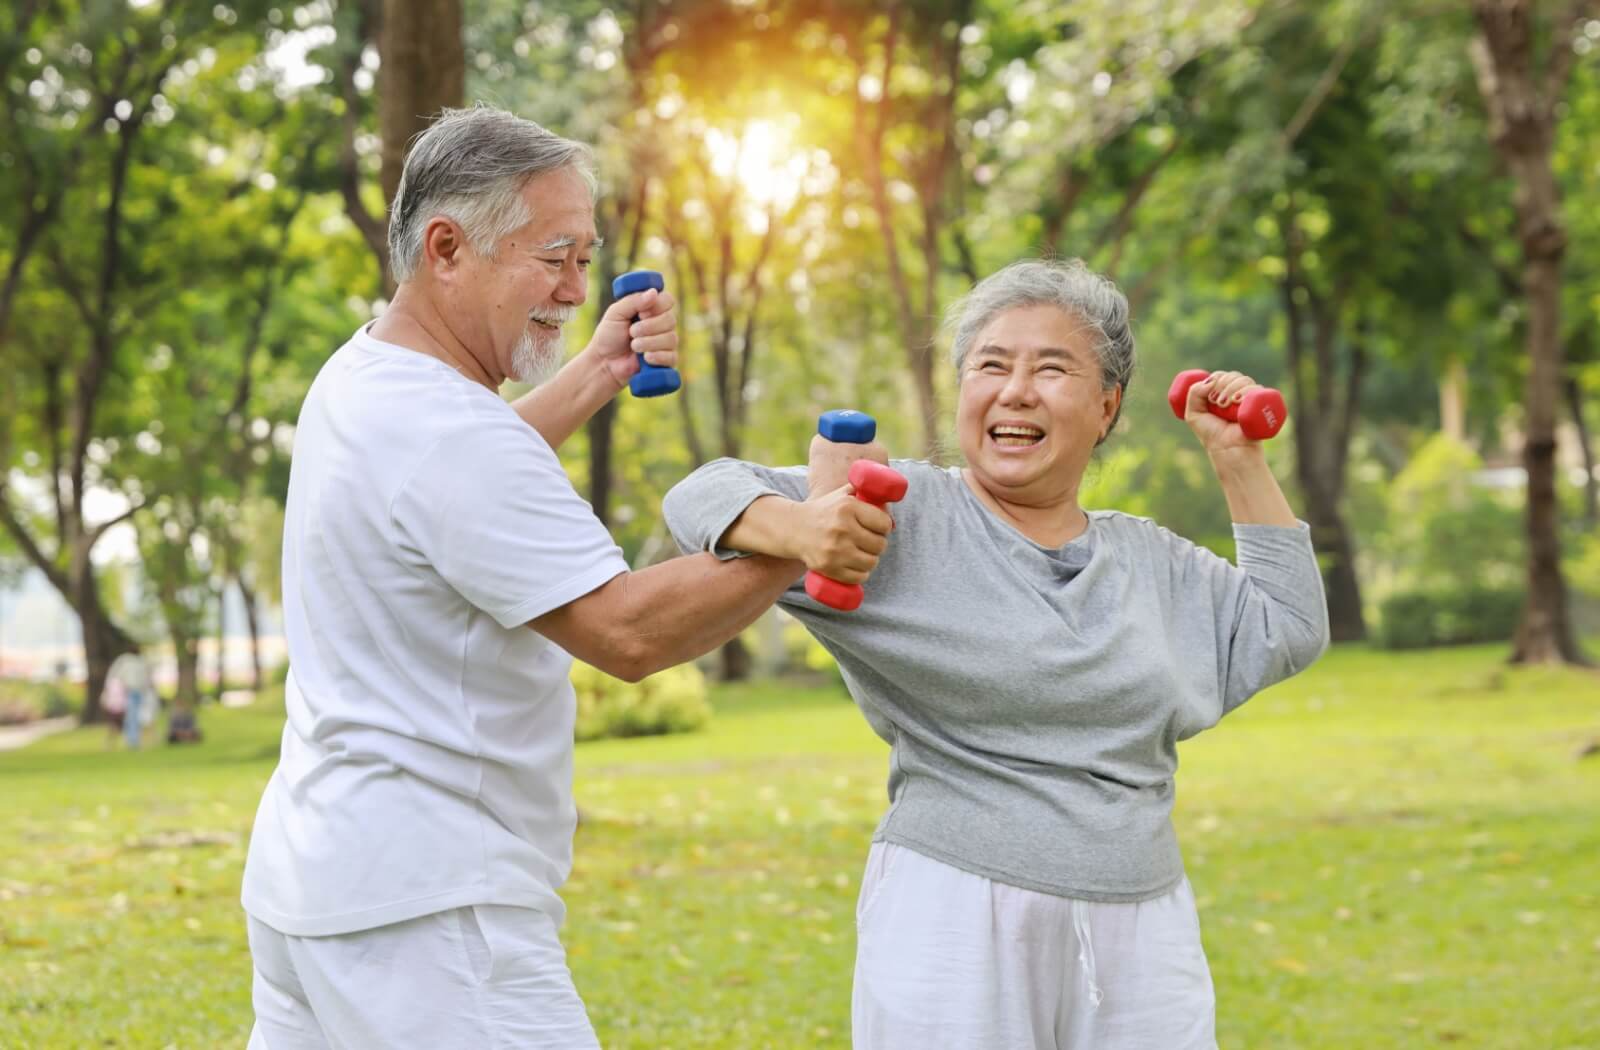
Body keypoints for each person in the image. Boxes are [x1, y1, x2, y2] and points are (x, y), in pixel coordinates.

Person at [239, 105, 889, 1049]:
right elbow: (626, 633)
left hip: (316, 884)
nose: (576, 288)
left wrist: (595, 370)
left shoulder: (365, 376)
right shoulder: (448, 431)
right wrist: (798, 536)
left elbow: (459, 489)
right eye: (555, 257)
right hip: (432, 911)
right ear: (448, 246)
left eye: (587, 259)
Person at [663, 258, 1331, 1049]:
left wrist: (1235, 456)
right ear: (962, 393)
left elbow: (1288, 623)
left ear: (1107, 406)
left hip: (1143, 921)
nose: (1016, 391)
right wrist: (805, 530)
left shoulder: (1149, 561)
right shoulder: (897, 513)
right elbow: (698, 495)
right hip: (953, 913)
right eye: (991, 366)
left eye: (1053, 369)